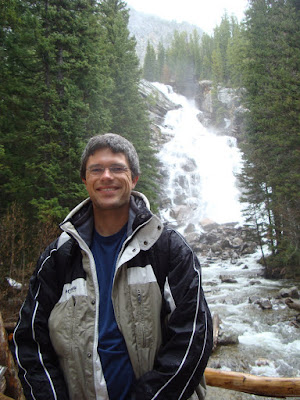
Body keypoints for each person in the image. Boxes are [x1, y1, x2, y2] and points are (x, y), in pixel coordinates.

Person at [14, 133, 213, 400]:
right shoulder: (59, 256)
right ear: (85, 180)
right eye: (96, 170)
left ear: (134, 178)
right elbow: (30, 342)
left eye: (117, 168)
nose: (106, 176)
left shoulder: (168, 248)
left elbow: (192, 339)